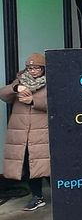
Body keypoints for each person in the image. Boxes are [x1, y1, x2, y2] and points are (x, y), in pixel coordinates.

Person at [2, 52, 50, 211]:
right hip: (23, 133)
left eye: (36, 68)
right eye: (30, 68)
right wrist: (16, 87)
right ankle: (37, 197)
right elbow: (3, 94)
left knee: (48, 166)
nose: (33, 71)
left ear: (43, 69)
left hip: (42, 132)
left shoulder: (51, 82)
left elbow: (57, 103)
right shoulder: (20, 80)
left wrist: (33, 101)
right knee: (30, 166)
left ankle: (60, 196)